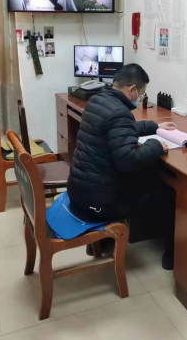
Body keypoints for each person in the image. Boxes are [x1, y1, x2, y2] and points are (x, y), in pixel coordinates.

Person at [67, 64, 177, 270]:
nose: (139, 99)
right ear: (132, 89)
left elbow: (121, 128)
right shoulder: (119, 113)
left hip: (79, 191)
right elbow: (128, 161)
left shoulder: (98, 100)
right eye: (141, 94)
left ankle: (101, 241)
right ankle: (172, 256)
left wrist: (155, 127)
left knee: (148, 176)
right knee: (168, 194)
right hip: (100, 202)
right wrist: (155, 145)